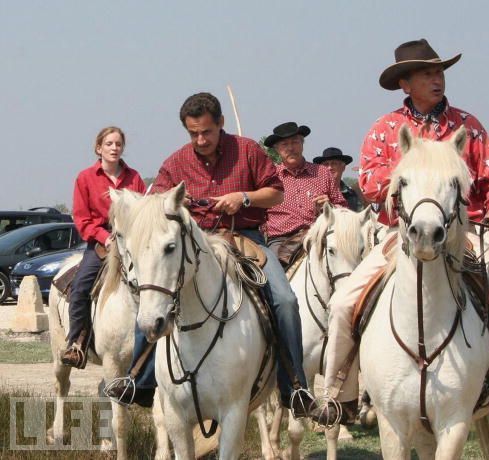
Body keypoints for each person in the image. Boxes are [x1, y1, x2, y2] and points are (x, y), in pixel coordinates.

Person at [312, 39, 489, 429]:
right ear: (405, 83)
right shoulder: (385, 129)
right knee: (343, 302)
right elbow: (369, 182)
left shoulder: (469, 126)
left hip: (468, 234)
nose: (437, 79)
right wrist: (406, 182)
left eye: (439, 72)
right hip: (399, 235)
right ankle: (338, 398)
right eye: (427, 73)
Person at [106, 93, 315, 416]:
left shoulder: (248, 150)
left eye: (206, 131)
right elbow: (157, 207)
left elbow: (276, 193)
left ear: (220, 123)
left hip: (244, 239)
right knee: (153, 294)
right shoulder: (175, 163)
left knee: (285, 300)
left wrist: (243, 198)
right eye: (193, 134)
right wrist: (176, 205)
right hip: (195, 243)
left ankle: (295, 387)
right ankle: (140, 379)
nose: (200, 139)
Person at [61, 127, 146, 369]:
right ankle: (77, 342)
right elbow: (81, 218)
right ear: (99, 148)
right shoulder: (85, 178)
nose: (114, 148)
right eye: (109, 143)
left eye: (118, 144)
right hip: (100, 245)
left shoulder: (135, 178)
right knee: (79, 289)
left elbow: (141, 212)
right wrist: (104, 236)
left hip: (130, 243)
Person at [263, 122, 348, 256]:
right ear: (277, 149)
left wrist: (330, 206)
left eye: (295, 142)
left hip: (319, 235)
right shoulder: (269, 177)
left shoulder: (322, 172)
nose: (290, 148)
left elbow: (343, 209)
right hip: (282, 240)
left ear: (302, 144)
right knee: (275, 271)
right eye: (284, 144)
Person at [313, 147, 364, 211]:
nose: (329, 168)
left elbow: (359, 218)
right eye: (326, 164)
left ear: (343, 167)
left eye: (334, 163)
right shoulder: (314, 192)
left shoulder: (352, 195)